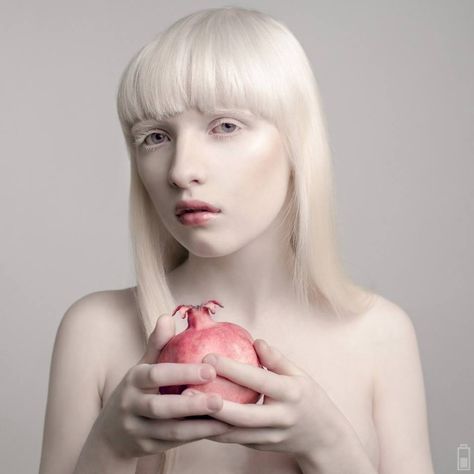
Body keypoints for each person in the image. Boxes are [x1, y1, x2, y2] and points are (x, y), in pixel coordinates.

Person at [39, 6, 434, 474]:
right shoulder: (95, 331)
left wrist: (328, 445)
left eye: (225, 126)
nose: (182, 170)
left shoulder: (380, 335)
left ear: (296, 145)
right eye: (155, 136)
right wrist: (110, 447)